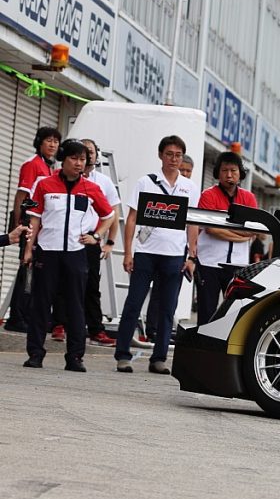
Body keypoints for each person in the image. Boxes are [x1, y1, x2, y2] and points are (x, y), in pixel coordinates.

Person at [22, 140, 115, 371]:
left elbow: (109, 215)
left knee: (75, 305)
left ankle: (75, 357)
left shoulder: (91, 188)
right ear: (63, 159)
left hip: (76, 253)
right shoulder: (44, 184)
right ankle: (35, 354)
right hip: (47, 251)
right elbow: (34, 218)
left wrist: (96, 236)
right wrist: (28, 249)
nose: (78, 163)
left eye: (82, 159)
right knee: (41, 304)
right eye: (74, 158)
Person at [114, 136, 199, 374]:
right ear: (160, 155)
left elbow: (192, 223)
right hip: (145, 254)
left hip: (174, 256)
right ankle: (123, 355)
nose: (174, 159)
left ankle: (159, 358)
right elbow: (132, 219)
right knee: (133, 304)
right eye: (169, 154)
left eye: (178, 155)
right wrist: (128, 252)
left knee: (167, 309)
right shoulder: (146, 182)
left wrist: (191, 256)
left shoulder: (190, 187)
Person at [5, 126, 60, 332]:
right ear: (39, 142)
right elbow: (22, 195)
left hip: (42, 225)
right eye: (48, 140)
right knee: (26, 269)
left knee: (35, 271)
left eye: (56, 141)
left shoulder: (50, 167)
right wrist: (19, 223)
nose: (52, 144)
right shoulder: (32, 164)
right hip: (29, 222)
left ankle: (28, 315)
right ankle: (17, 317)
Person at [195, 151, 258, 325]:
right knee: (206, 313)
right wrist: (241, 235)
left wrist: (227, 229)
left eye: (233, 170)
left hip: (238, 264)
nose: (229, 175)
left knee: (235, 314)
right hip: (209, 263)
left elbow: (253, 231)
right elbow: (211, 229)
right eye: (224, 170)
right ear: (218, 172)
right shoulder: (208, 195)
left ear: (240, 173)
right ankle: (202, 342)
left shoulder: (249, 198)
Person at [140, 152, 194, 345]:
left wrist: (191, 255)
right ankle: (152, 329)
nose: (185, 173)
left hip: (180, 249)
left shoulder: (190, 191)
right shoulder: (157, 185)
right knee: (157, 291)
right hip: (156, 247)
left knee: (172, 294)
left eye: (188, 171)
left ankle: (164, 330)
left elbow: (193, 225)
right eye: (183, 170)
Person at [80, 139, 120, 345]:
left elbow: (114, 213)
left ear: (96, 155)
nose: (88, 156)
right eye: (84, 151)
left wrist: (109, 241)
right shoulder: (67, 178)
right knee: (64, 283)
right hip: (67, 238)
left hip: (92, 238)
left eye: (91, 152)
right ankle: (59, 324)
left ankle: (96, 329)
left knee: (92, 285)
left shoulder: (103, 182)